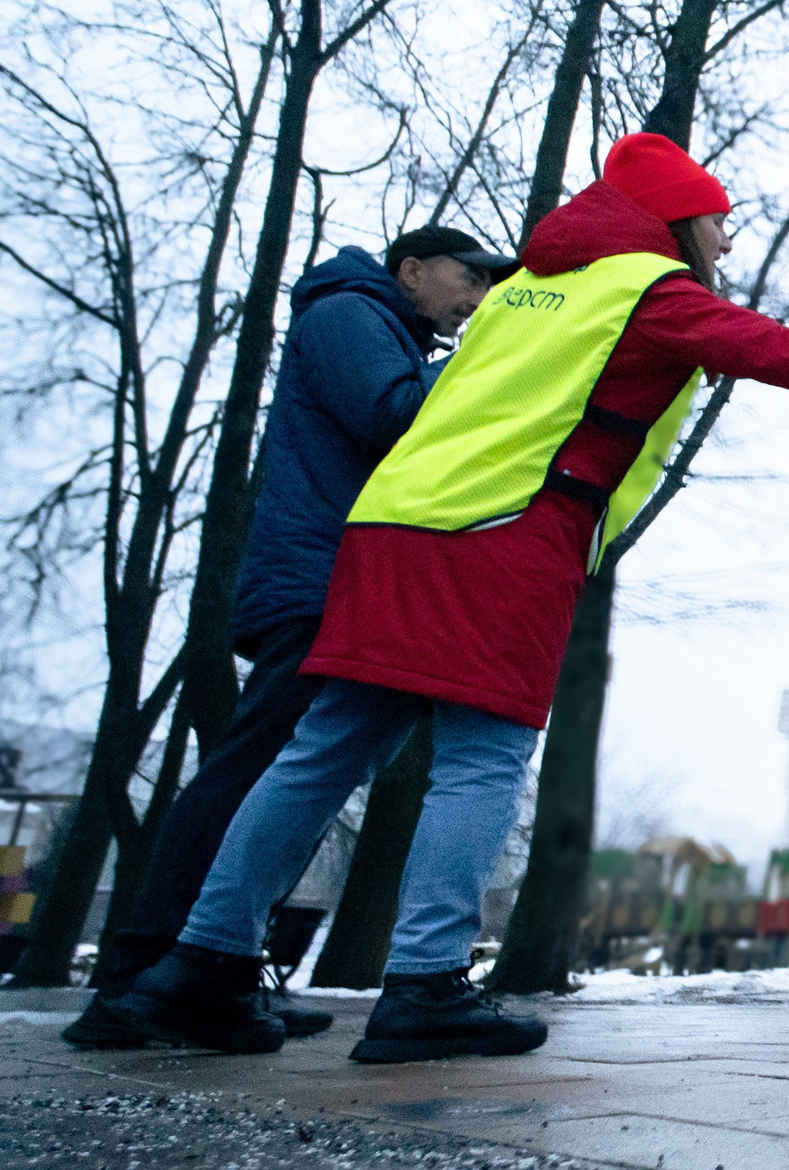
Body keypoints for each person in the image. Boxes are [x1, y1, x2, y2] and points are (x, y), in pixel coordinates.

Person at [102, 133, 789, 1061]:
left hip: (392, 526)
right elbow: (787, 354)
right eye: (718, 221)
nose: (727, 242)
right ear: (676, 218)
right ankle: (423, 983)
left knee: (319, 753)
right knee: (481, 761)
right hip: (507, 532)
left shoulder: (523, 292)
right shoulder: (651, 293)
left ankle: (202, 966)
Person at [64, 227, 508, 1049]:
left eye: (490, 285)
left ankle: (216, 971)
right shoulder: (349, 313)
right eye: (469, 277)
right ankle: (138, 984)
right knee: (258, 768)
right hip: (318, 580)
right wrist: (489, 364)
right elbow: (397, 417)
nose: (480, 295)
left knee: (283, 770)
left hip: (340, 577)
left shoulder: (384, 326)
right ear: (410, 270)